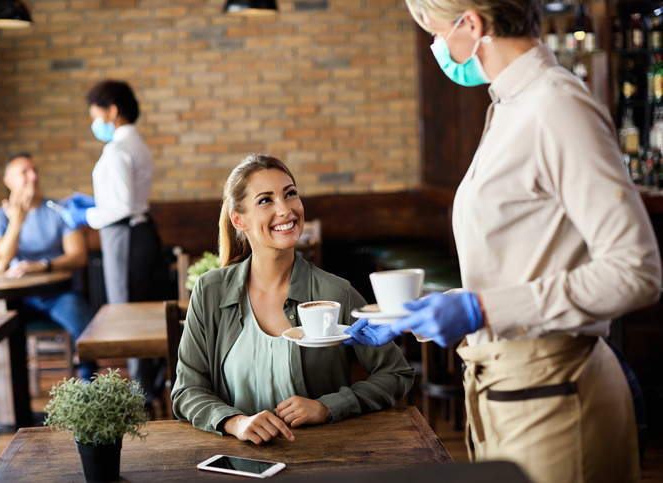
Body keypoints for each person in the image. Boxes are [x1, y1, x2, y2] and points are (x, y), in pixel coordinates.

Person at [344, 0, 662, 481]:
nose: (438, 48)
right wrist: (437, 308)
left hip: (557, 395)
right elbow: (528, 260)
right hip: (508, 391)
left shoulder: (557, 105)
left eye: (434, 32)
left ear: (471, 24)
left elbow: (636, 273)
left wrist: (481, 311)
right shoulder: (511, 106)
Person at [170, 155, 414, 444]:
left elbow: (396, 373)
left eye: (290, 194)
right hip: (238, 463)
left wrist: (329, 406)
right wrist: (235, 422)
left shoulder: (336, 292)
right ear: (239, 219)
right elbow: (187, 391)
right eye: (265, 200)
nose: (285, 210)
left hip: (324, 459)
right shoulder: (210, 291)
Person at [61, 80, 165, 410]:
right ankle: (148, 389)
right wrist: (93, 203)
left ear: (111, 111)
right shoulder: (136, 143)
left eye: (95, 116)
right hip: (139, 232)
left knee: (129, 315)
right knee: (139, 314)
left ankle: (140, 397)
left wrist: (86, 215)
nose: (95, 123)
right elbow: (126, 199)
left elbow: (120, 207)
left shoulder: (117, 149)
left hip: (125, 237)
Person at [0, 153, 97, 380]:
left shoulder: (59, 211)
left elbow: (78, 257)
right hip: (16, 298)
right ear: (8, 181)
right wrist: (16, 222)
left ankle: (89, 383)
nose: (33, 176)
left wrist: (43, 265)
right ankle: (11, 394)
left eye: (34, 170)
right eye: (25, 172)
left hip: (58, 295)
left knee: (87, 331)